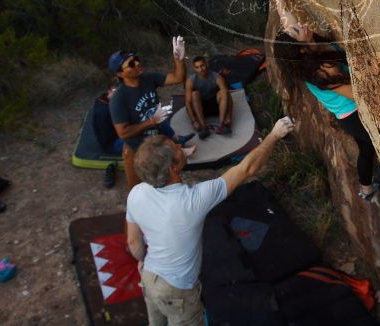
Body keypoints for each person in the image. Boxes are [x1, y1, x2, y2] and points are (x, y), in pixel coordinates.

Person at [126, 116, 295, 326]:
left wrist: (144, 261)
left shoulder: (136, 193)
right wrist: (274, 135)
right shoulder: (193, 200)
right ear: (172, 169)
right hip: (177, 290)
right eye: (176, 148)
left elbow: (134, 243)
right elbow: (246, 169)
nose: (180, 145)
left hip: (149, 279)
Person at [272, 0, 380, 201]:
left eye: (295, 27)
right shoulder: (323, 70)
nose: (299, 25)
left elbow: (282, 10)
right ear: (300, 49)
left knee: (366, 147)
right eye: (296, 30)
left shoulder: (303, 46)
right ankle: (365, 190)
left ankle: (366, 187)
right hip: (350, 113)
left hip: (343, 107)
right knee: (367, 147)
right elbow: (356, 94)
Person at [109, 36, 189, 190]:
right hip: (136, 151)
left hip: (158, 143)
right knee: (139, 190)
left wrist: (179, 60)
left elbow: (178, 78)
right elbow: (123, 133)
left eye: (136, 59)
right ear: (120, 74)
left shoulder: (148, 78)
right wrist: (152, 121)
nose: (137, 63)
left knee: (167, 184)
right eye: (131, 64)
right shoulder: (119, 99)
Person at [184, 56, 233, 139]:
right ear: (194, 69)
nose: (201, 69)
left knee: (224, 92)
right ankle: (203, 127)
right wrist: (194, 121)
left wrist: (228, 116)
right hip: (200, 108)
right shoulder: (190, 80)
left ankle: (222, 125)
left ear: (206, 64)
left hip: (215, 107)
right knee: (194, 94)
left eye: (202, 65)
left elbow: (228, 97)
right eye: (197, 67)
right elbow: (188, 103)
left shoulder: (217, 77)